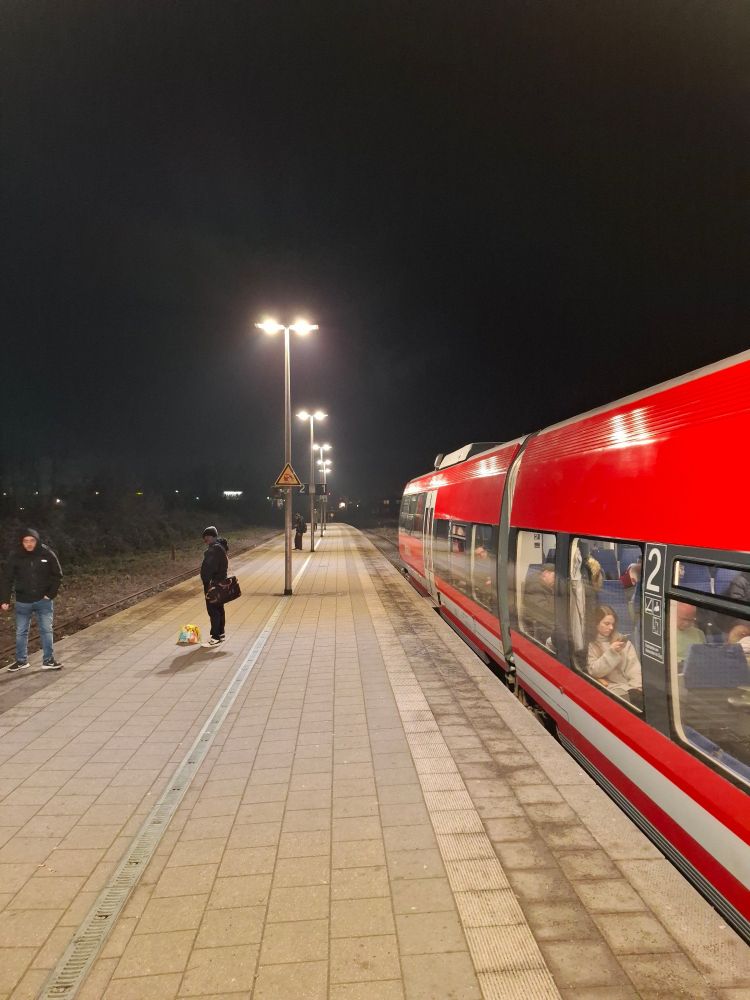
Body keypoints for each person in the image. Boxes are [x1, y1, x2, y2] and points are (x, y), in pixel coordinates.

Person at [0, 528, 63, 672]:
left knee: (46, 630)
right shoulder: (15, 556)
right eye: (26, 541)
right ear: (22, 542)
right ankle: (21, 661)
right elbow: (7, 579)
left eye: (32, 541)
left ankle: (48, 660)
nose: (29, 544)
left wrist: (50, 594)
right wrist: (4, 599)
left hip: (44, 601)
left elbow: (57, 575)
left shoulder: (47, 553)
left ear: (37, 540)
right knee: (21, 632)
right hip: (23, 601)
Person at [587, 604, 642, 703]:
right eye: (607, 624)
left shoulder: (622, 642)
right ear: (596, 623)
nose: (611, 627)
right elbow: (594, 671)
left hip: (630, 689)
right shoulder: (590, 644)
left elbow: (634, 668)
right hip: (610, 690)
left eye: (613, 624)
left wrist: (637, 687)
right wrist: (611, 653)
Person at [200, 526, 228, 648]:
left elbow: (210, 568)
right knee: (219, 608)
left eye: (206, 537)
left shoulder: (214, 550)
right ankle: (221, 633)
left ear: (212, 536)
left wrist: (207, 582)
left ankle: (215, 636)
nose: (205, 540)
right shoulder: (219, 548)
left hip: (213, 584)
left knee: (213, 610)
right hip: (218, 583)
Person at [523, 563, 556, 645]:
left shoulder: (546, 585)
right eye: (554, 577)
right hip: (539, 627)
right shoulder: (534, 587)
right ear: (545, 573)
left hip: (546, 623)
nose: (555, 580)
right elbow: (544, 611)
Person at [675, 602, 706, 669]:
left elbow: (704, 656)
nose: (687, 623)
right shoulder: (666, 631)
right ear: (674, 614)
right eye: (683, 619)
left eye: (690, 620)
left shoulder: (699, 633)